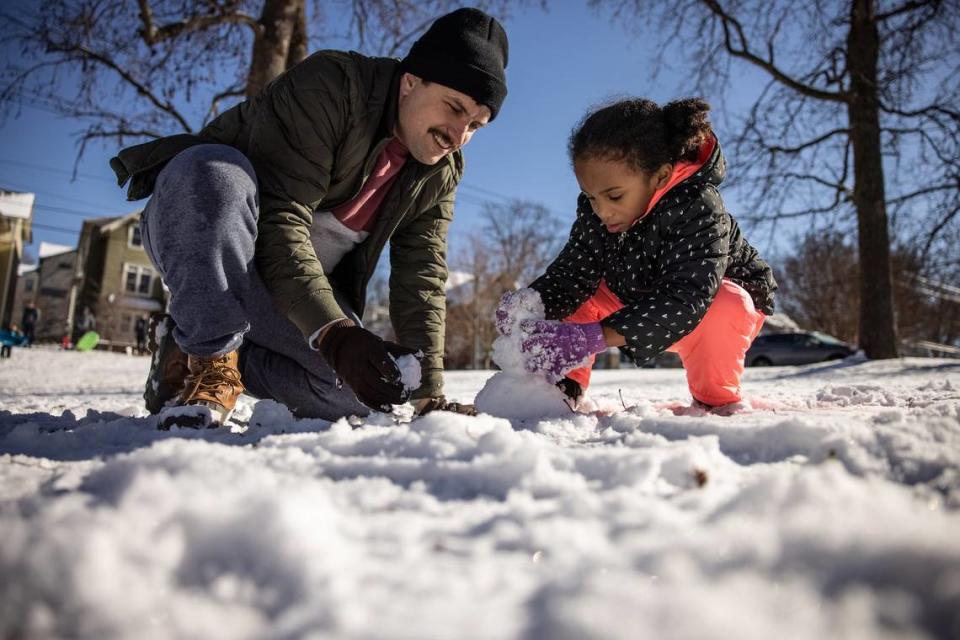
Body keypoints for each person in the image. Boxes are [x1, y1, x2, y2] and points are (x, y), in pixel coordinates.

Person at [110, 8, 506, 428]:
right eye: (454, 108)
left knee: (360, 395)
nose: (459, 135)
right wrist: (332, 334)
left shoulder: (440, 171)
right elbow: (280, 221)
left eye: (476, 125)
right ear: (411, 82)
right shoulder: (335, 87)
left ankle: (188, 351)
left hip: (289, 294)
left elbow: (421, 276)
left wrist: (428, 393)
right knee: (212, 170)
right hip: (210, 234)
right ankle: (207, 360)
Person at [496, 98, 777, 409]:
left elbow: (687, 297)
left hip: (708, 308)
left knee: (727, 304)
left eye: (614, 196)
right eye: (591, 197)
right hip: (638, 297)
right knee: (579, 293)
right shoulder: (599, 213)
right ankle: (565, 386)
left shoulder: (698, 204)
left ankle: (717, 400)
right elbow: (573, 272)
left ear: (658, 176)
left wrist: (592, 337)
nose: (601, 210)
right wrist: (533, 303)